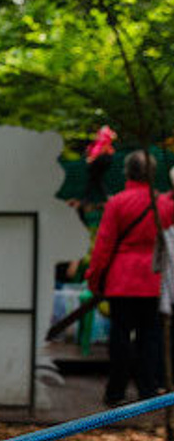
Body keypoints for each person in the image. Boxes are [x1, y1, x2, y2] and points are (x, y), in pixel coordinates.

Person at [84, 150, 173, 405]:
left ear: (127, 172)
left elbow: (103, 245)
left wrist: (94, 277)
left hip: (121, 278)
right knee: (150, 336)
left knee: (120, 335)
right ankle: (148, 391)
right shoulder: (164, 205)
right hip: (154, 279)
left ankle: (116, 391)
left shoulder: (117, 203)